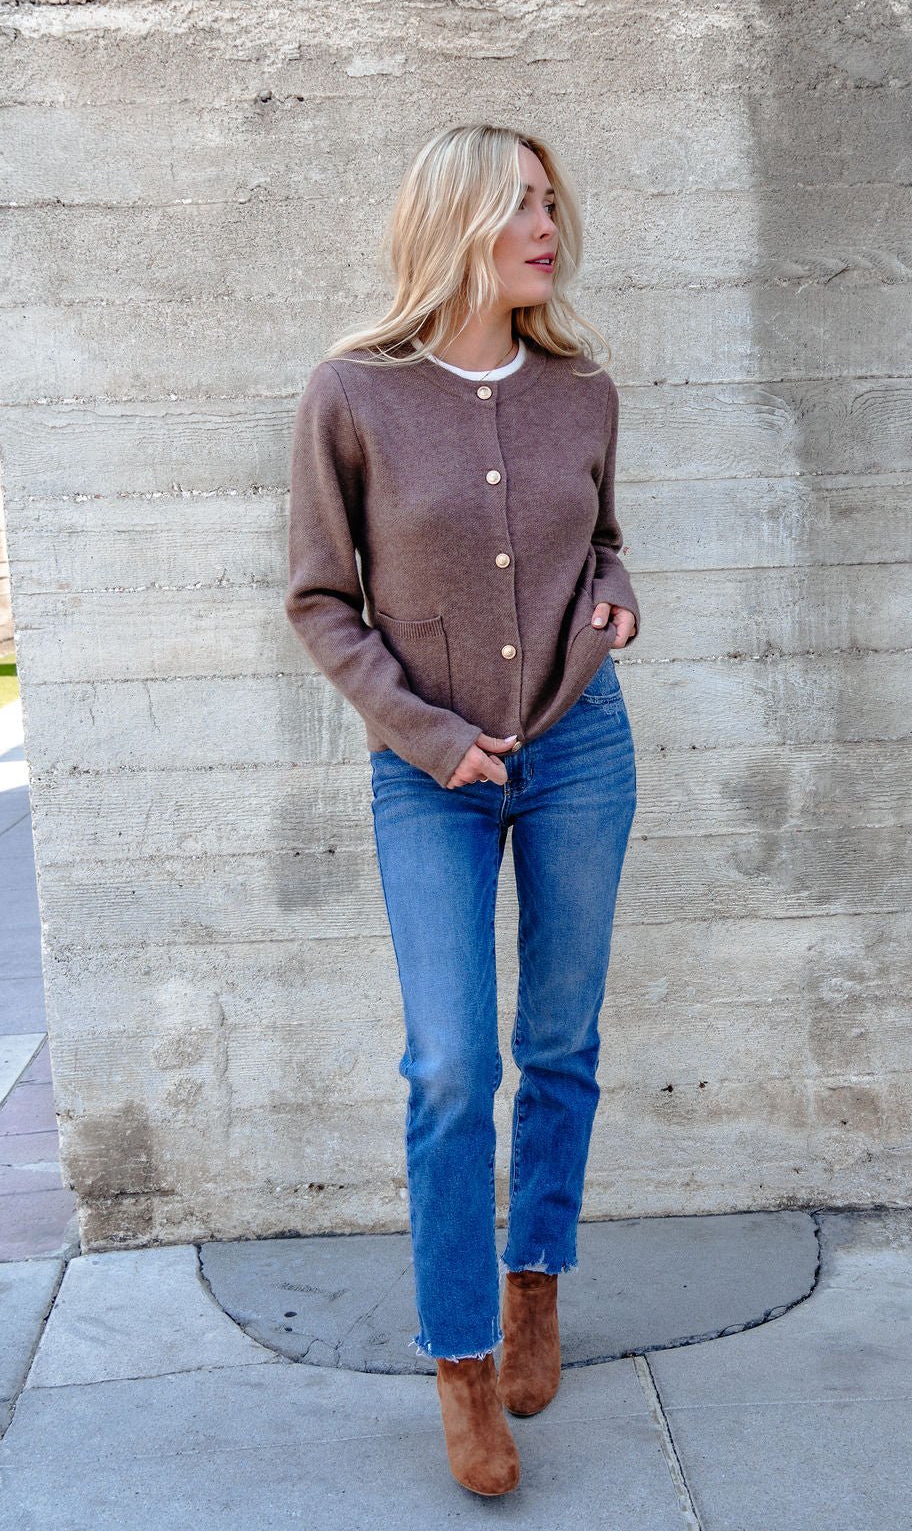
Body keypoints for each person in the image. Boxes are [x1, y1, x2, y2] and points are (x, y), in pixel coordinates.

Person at [284, 121, 640, 1498]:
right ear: (456, 225)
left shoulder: (583, 388)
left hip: (581, 751)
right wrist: (429, 739)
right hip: (429, 779)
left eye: (553, 203)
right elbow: (322, 600)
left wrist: (616, 586)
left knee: (561, 1039)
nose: (548, 230)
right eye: (520, 209)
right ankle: (462, 1359)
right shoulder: (352, 395)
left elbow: (599, 534)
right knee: (449, 1069)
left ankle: (535, 1282)